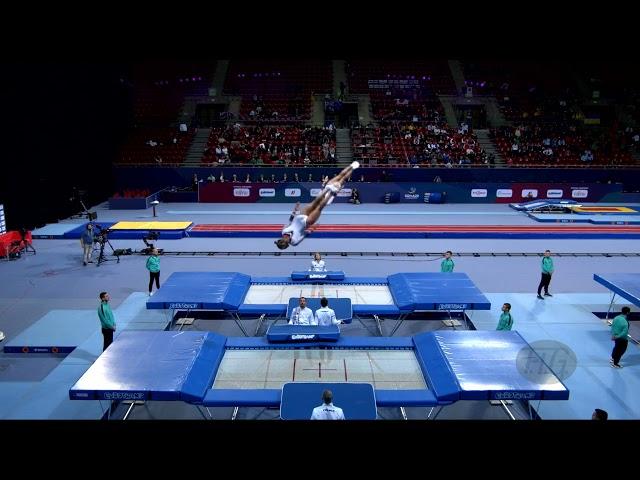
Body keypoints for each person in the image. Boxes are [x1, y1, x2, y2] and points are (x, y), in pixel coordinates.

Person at [275, 161, 360, 249]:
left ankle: (327, 188)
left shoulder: (283, 231)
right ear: (288, 243)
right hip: (306, 223)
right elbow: (305, 234)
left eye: (283, 239)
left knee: (316, 200)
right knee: (320, 207)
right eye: (286, 241)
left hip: (300, 216)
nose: (286, 238)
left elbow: (289, 221)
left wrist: (295, 210)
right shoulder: (295, 242)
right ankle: (332, 192)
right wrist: (313, 228)